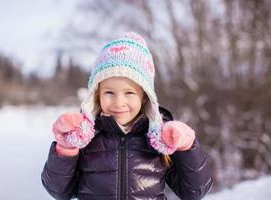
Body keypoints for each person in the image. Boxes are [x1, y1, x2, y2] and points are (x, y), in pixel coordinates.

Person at [41, 32, 212, 200]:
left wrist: (186, 147)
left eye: (129, 93)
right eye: (109, 92)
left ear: (145, 96)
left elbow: (194, 192)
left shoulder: (161, 137)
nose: (118, 102)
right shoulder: (85, 135)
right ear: (96, 94)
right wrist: (66, 149)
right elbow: (60, 192)